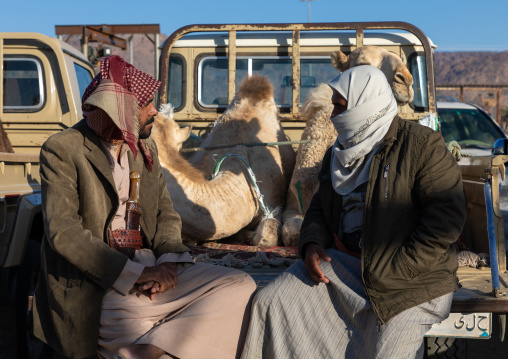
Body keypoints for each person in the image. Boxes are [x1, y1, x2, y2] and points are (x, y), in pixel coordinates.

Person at [33, 55, 256, 359]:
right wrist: (133, 275)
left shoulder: (144, 146)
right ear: (119, 111)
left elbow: (165, 212)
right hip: (103, 284)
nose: (155, 111)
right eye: (146, 104)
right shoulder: (63, 149)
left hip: (152, 270)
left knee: (241, 285)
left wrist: (168, 263)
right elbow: (64, 233)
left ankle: (150, 348)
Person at [241, 65, 467, 359]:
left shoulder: (423, 146)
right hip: (347, 265)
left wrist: (390, 268)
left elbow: (444, 221)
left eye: (340, 107)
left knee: (386, 353)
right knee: (271, 302)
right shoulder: (338, 153)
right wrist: (310, 244)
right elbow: (320, 208)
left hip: (412, 279)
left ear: (367, 104)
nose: (333, 116)